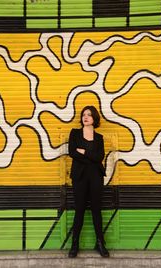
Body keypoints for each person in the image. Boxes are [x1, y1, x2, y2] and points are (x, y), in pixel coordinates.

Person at [68, 105, 109, 258]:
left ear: (94, 118)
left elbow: (100, 157)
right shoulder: (75, 133)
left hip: (96, 177)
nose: (86, 117)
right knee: (79, 210)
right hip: (79, 177)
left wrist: (84, 151)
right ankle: (74, 244)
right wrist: (91, 156)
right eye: (84, 114)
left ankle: (100, 243)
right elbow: (72, 152)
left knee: (96, 210)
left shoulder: (99, 138)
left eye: (89, 115)